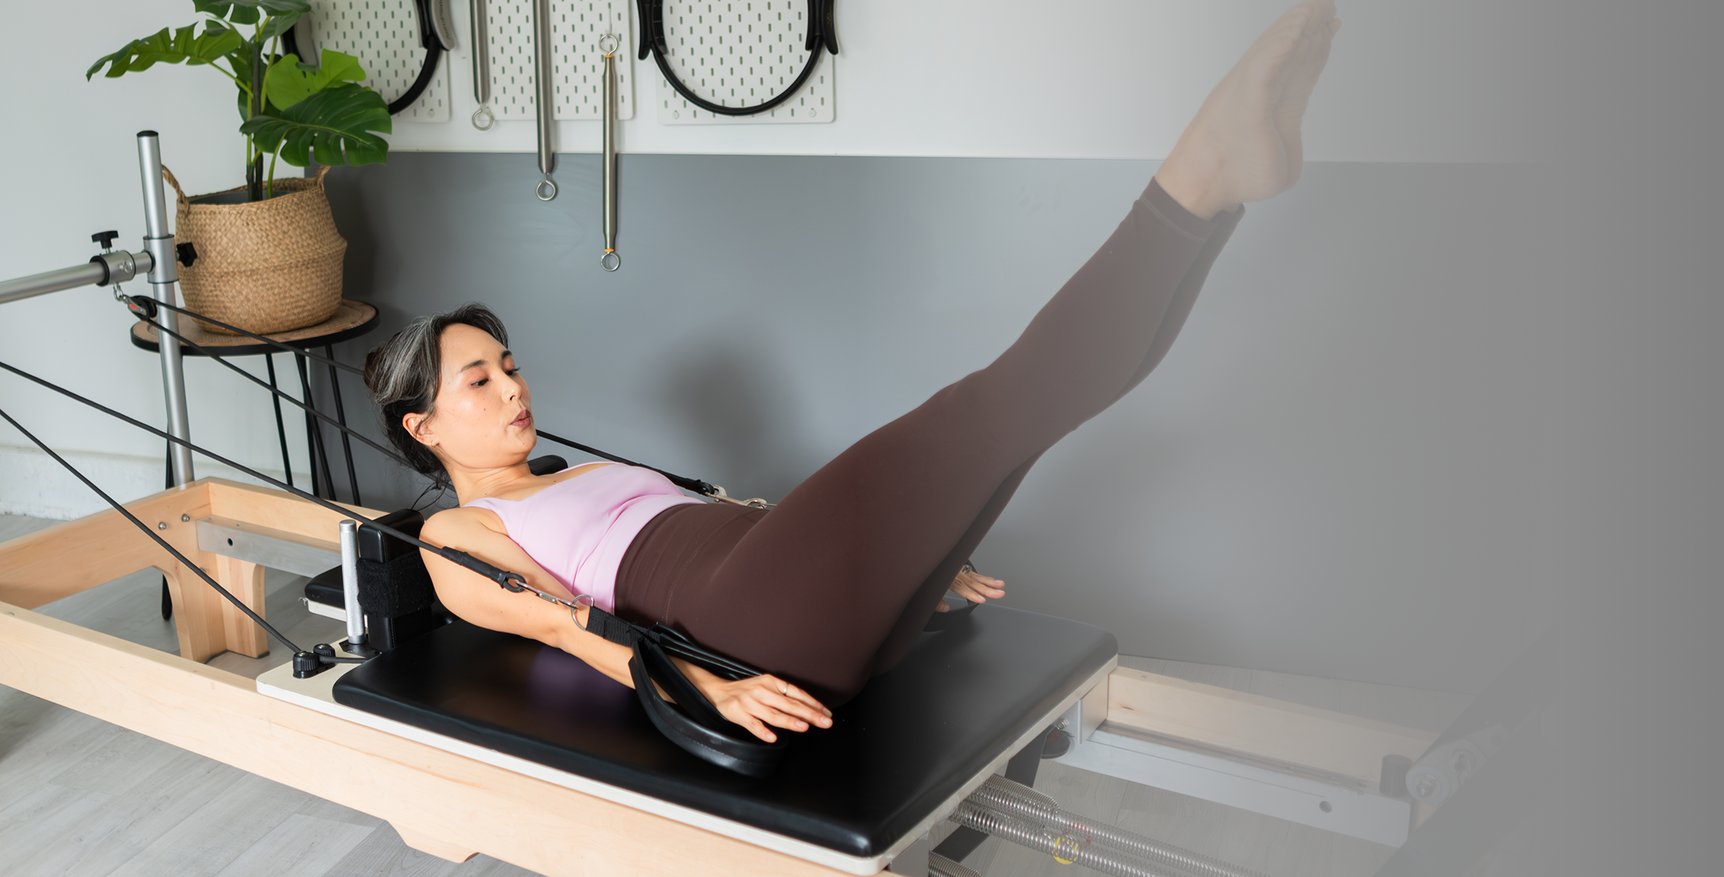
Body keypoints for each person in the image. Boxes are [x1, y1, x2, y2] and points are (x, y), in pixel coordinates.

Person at [363, 0, 1341, 744]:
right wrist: (710, 689)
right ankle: (1204, 173)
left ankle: (1220, 197)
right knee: (999, 403)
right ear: (423, 426)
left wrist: (904, 544)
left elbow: (733, 521)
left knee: (1030, 417)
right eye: (479, 381)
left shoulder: (569, 470)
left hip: (798, 593)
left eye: (510, 365)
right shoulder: (455, 535)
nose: (515, 388)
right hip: (750, 626)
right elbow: (574, 628)